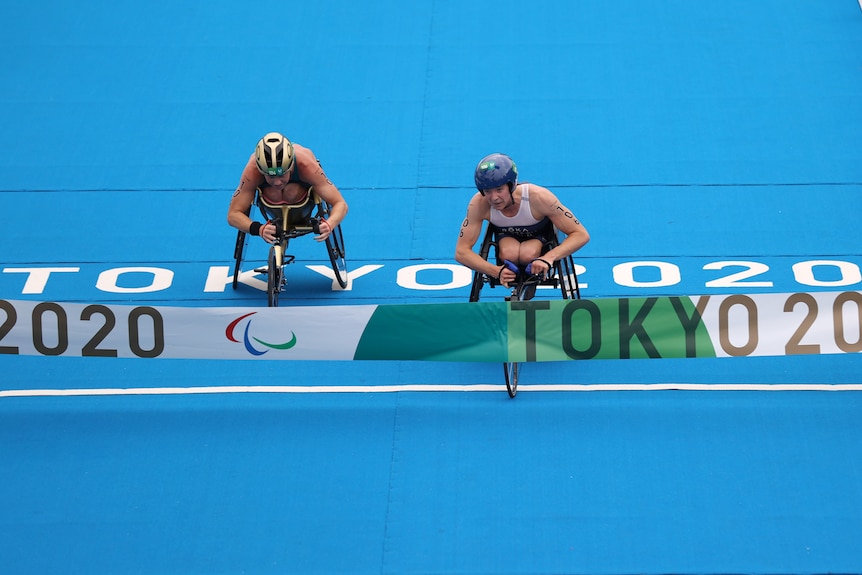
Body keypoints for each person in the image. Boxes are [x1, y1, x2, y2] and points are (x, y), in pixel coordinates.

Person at [455, 152, 589, 289]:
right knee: (509, 253)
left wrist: (548, 258)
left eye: (499, 190)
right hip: (507, 240)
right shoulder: (478, 204)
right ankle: (515, 274)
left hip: (539, 237)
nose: (494, 198)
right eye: (488, 191)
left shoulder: (539, 197)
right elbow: (461, 252)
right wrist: (495, 271)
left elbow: (581, 234)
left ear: (511, 185)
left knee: (527, 254)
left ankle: (531, 273)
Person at [227, 132, 347, 243]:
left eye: (282, 174)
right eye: (271, 177)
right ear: (261, 170)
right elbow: (233, 214)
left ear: (290, 166)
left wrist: (330, 223)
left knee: (291, 191)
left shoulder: (306, 165)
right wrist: (258, 229)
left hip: (302, 204)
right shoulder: (252, 171)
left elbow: (340, 203)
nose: (278, 182)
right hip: (271, 202)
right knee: (274, 192)